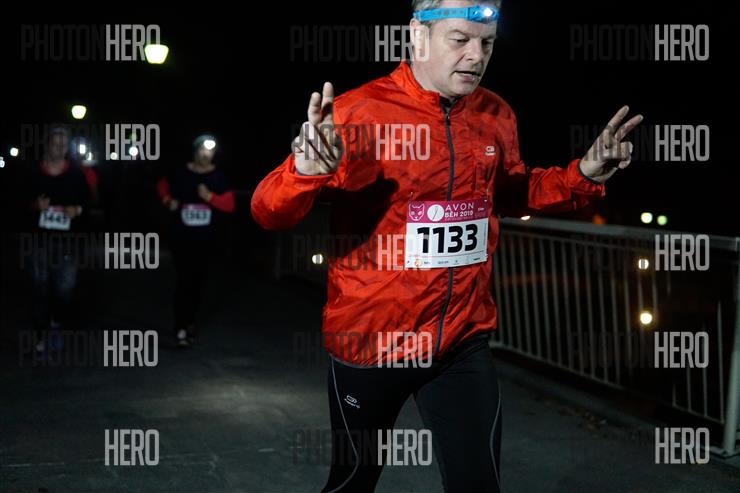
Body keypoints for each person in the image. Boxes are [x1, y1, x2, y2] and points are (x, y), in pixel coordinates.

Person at [251, 1, 642, 491]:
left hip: (461, 341)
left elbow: (511, 193)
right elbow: (268, 212)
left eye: (487, 43)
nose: (476, 56)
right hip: (372, 340)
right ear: (418, 35)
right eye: (460, 39)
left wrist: (583, 174)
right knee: (352, 482)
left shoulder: (496, 113)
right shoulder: (357, 112)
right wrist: (305, 173)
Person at [157, 135, 235, 347]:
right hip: (181, 237)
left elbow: (230, 205)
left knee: (198, 282)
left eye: (210, 150)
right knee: (184, 280)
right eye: (202, 149)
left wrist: (210, 197)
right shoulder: (180, 172)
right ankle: (181, 326)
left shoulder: (218, 177)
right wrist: (168, 200)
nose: (205, 154)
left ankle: (189, 321)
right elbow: (162, 185)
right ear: (195, 150)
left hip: (205, 240)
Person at [25, 126, 93, 353]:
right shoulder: (32, 173)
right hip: (37, 241)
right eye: (55, 144)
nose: (59, 149)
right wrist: (34, 206)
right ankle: (40, 334)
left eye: (63, 145)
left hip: (68, 243)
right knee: (39, 287)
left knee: (64, 289)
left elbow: (89, 203)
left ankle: (56, 321)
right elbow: (15, 202)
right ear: (47, 145)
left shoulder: (76, 174)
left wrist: (78, 210)